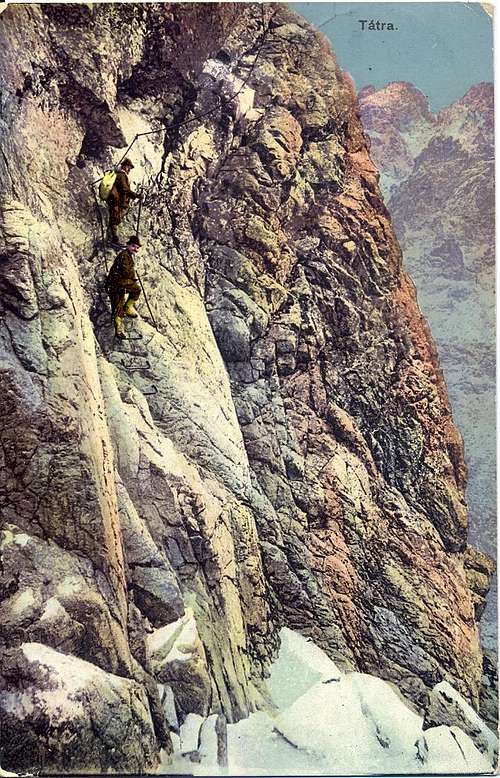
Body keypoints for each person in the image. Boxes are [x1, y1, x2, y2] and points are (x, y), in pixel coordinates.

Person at [106, 236, 142, 339]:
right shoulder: (124, 256)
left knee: (135, 290)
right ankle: (119, 330)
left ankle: (127, 308)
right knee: (118, 307)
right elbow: (126, 272)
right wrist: (133, 279)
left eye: (137, 247)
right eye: (134, 246)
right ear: (128, 245)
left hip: (121, 283)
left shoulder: (128, 255)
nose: (135, 249)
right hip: (116, 285)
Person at [106, 158, 140, 246]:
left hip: (117, 201)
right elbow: (125, 189)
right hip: (117, 201)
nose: (129, 170)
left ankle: (113, 238)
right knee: (115, 219)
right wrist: (135, 195)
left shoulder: (120, 174)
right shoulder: (121, 175)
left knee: (115, 218)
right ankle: (114, 240)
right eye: (128, 167)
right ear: (124, 166)